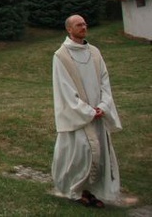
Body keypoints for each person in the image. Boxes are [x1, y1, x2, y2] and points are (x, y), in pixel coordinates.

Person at [51, 14, 122, 208]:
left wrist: (103, 105)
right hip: (78, 116)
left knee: (99, 155)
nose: (84, 26)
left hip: (97, 113)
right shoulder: (61, 56)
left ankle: (93, 191)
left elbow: (104, 81)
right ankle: (75, 190)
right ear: (69, 29)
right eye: (78, 24)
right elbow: (64, 88)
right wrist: (86, 110)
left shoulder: (95, 52)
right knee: (81, 153)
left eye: (84, 23)